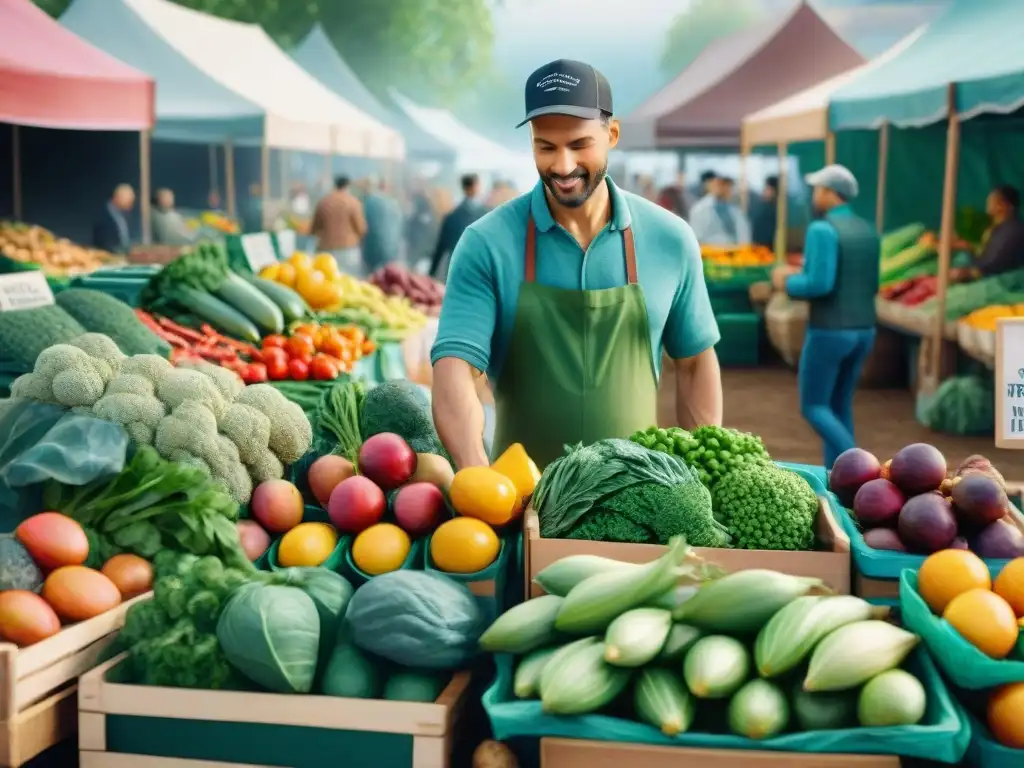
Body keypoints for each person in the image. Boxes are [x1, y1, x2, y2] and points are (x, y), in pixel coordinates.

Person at [431, 59, 723, 469]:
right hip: (521, 505)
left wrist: (701, 477)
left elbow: (694, 365)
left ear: (612, 134)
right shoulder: (486, 243)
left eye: (579, 144)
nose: (563, 166)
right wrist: (477, 475)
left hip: (641, 503)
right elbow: (456, 370)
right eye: (545, 147)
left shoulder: (669, 239)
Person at [771, 164, 879, 469]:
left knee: (815, 406)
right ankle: (839, 477)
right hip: (865, 330)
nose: (815, 195)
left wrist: (785, 281)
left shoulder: (822, 229)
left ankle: (862, 468)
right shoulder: (867, 229)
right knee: (839, 406)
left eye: (819, 189)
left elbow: (819, 284)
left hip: (829, 331)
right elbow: (873, 283)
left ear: (832, 193)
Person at [951, 184, 1024, 281]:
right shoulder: (998, 228)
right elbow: (986, 255)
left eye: (993, 200)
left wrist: (970, 272)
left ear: (1006, 206)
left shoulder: (1012, 231)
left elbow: (993, 263)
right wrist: (968, 248)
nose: (988, 202)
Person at [429, 174, 486, 280]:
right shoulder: (484, 213)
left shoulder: (453, 215)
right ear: (474, 187)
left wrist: (431, 273)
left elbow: (440, 247)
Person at [310, 176, 367, 275]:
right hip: (348, 250)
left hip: (326, 250)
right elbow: (361, 229)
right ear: (348, 186)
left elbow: (314, 229)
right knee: (350, 284)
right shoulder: (353, 202)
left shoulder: (324, 202)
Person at [689, 176, 751, 245]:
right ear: (711, 185)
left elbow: (743, 235)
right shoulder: (700, 209)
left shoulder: (735, 210)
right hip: (709, 253)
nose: (725, 188)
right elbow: (697, 238)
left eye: (728, 185)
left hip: (735, 253)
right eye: (721, 184)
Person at [363, 178, 404, 274]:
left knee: (373, 275)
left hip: (374, 244)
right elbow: (399, 225)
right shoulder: (393, 203)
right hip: (390, 245)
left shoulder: (371, 201)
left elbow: (366, 223)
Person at [93, 184, 135, 254]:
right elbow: (104, 243)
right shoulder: (103, 215)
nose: (130, 206)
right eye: (129, 202)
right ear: (117, 198)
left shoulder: (122, 215)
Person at [751, 175, 779, 248]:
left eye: (767, 188)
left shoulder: (772, 209)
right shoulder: (762, 206)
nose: (764, 191)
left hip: (765, 246)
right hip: (759, 246)